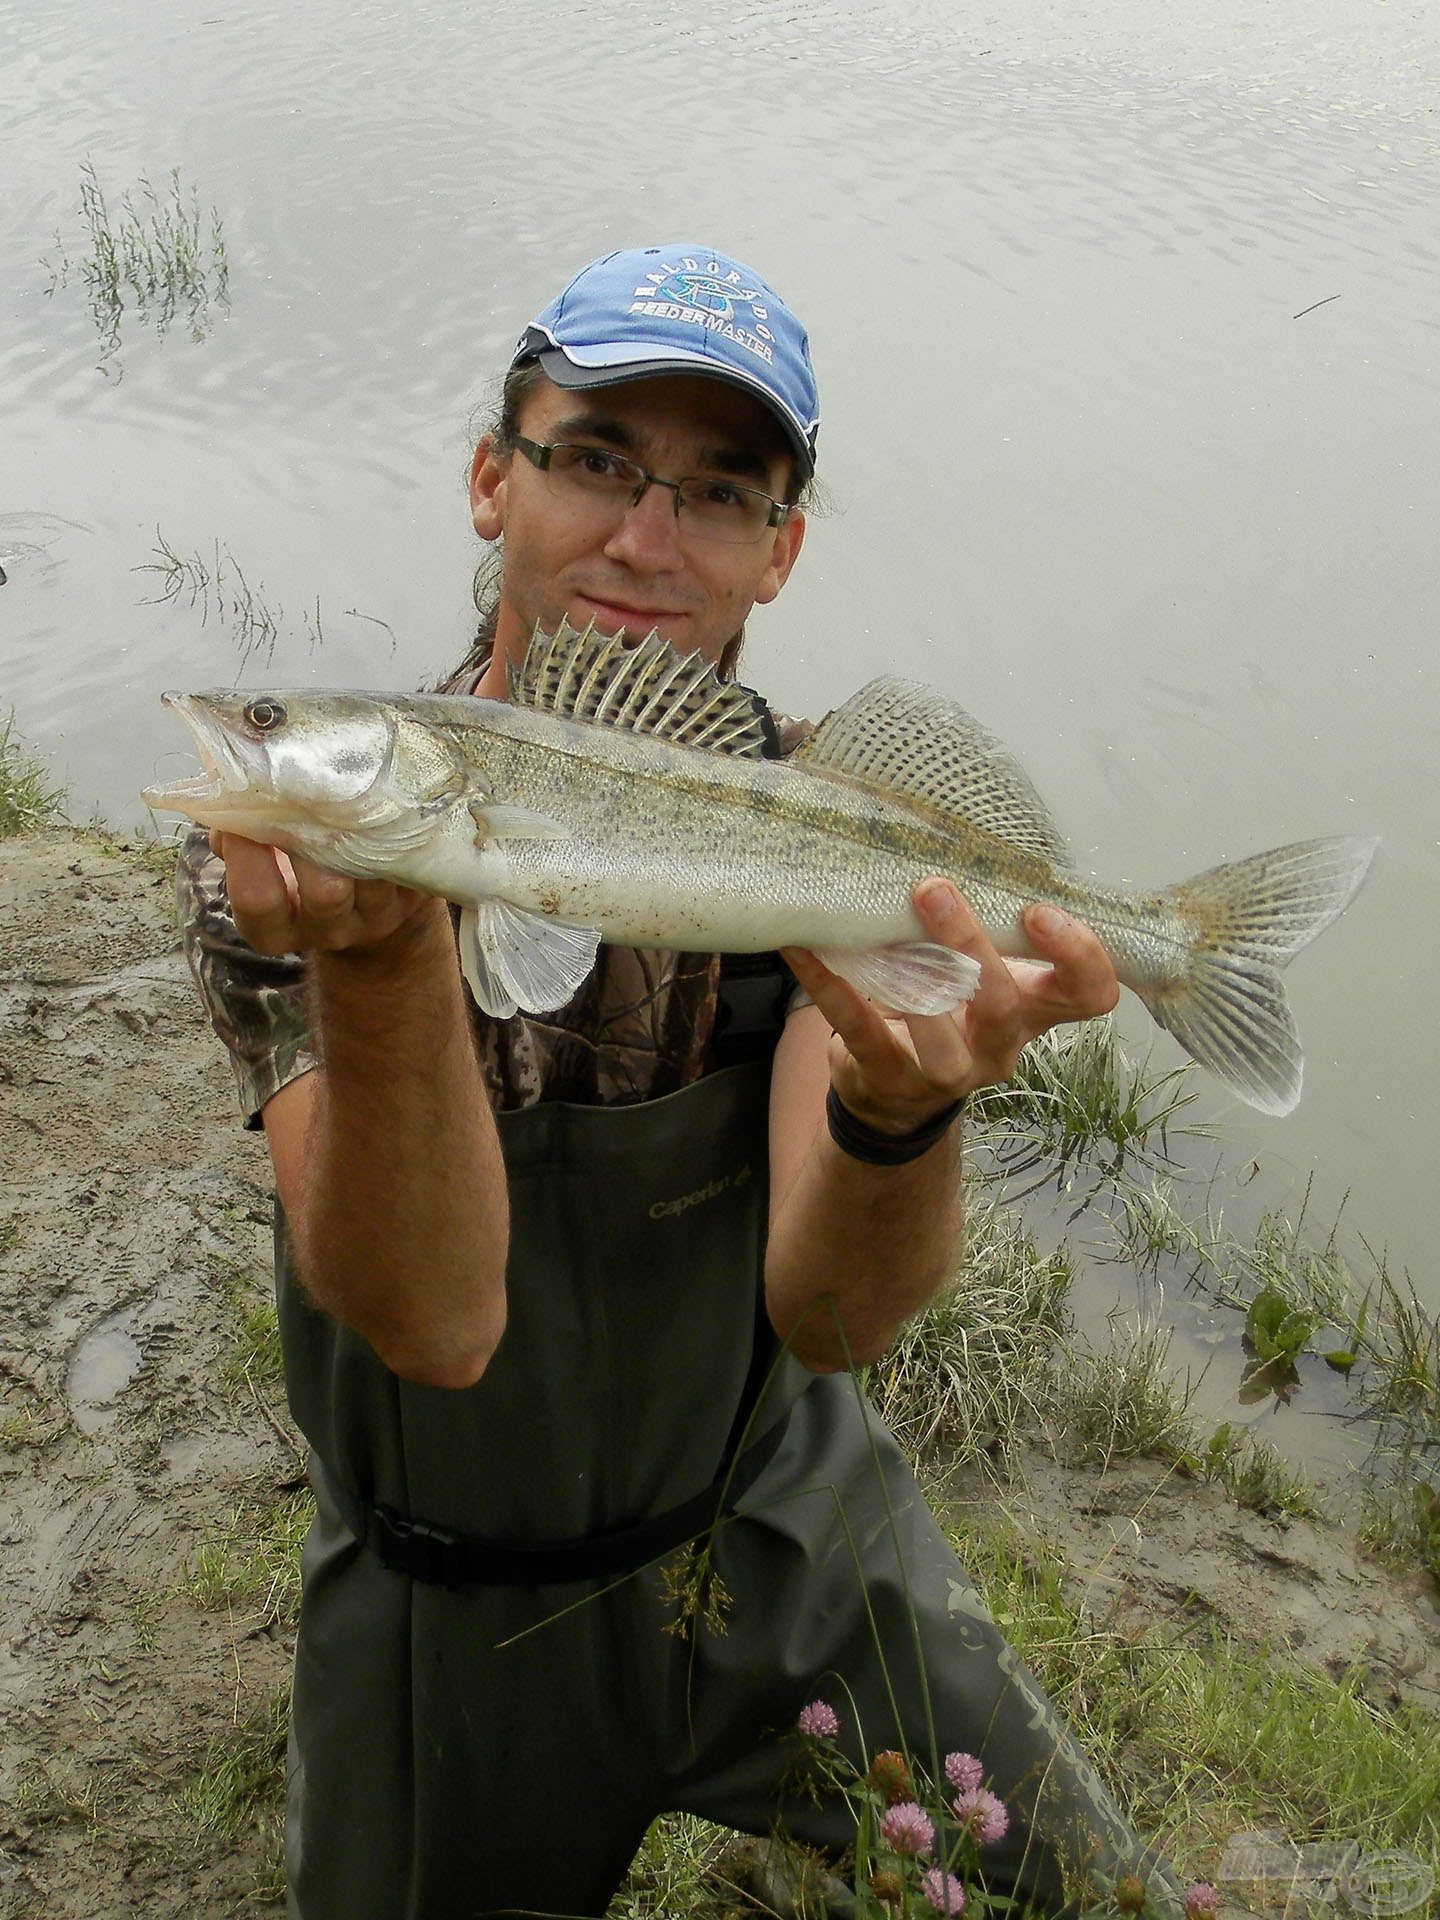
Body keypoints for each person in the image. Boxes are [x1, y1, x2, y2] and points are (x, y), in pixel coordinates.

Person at [177, 244, 1181, 1919]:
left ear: (780, 550)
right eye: (594, 462)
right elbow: (432, 1326)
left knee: (1111, 1899)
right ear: (491, 476)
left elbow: (838, 1323)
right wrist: (373, 959)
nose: (647, 541)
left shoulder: (818, 838)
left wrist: (901, 1102)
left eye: (719, 493)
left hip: (790, 1532)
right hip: (453, 1606)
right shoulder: (294, 866)